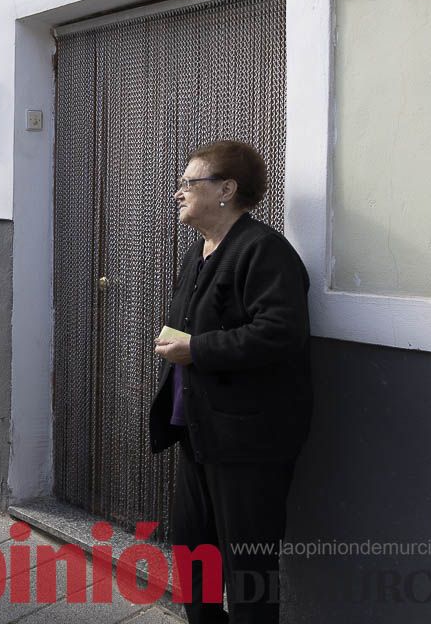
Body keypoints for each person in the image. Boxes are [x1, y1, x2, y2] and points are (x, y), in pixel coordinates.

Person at [149, 140, 312, 624]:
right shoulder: (198, 252)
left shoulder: (263, 251)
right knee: (194, 555)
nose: (178, 192)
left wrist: (194, 350)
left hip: (248, 443)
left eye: (188, 183)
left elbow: (280, 333)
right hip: (199, 435)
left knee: (247, 570)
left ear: (226, 190)